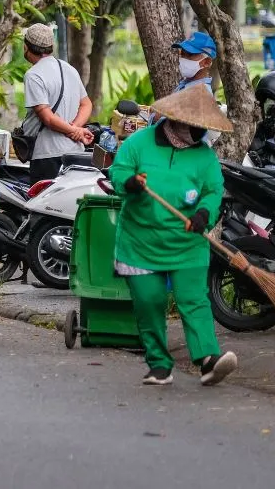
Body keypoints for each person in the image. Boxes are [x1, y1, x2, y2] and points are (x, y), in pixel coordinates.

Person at [109, 84, 238, 387]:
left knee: (193, 300)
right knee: (149, 301)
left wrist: (204, 214)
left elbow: (212, 190)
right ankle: (159, 364)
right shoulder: (138, 144)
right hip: (140, 242)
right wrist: (130, 182)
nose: (200, 133)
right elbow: (118, 173)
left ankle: (208, 360)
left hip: (187, 242)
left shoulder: (204, 157)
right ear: (177, 122)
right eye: (196, 127)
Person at [22, 23, 93, 183]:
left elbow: (48, 118)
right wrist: (76, 129)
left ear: (26, 47)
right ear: (51, 46)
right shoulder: (68, 68)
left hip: (48, 155)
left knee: (43, 205)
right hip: (75, 152)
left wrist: (75, 130)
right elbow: (86, 104)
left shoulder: (33, 75)